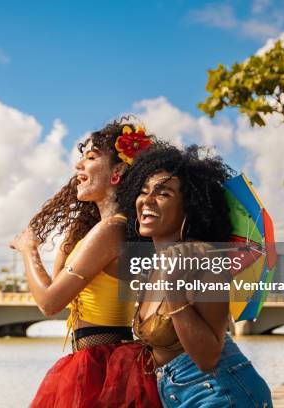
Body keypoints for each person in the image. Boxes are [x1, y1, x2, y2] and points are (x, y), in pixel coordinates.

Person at [10, 119, 160, 407]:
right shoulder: (118, 228)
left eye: (91, 158)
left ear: (117, 172)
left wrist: (29, 250)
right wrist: (74, 233)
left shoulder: (111, 230)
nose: (79, 166)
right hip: (104, 358)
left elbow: (49, 302)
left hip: (100, 364)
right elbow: (61, 289)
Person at [115, 141, 273, 408]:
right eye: (143, 192)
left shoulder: (203, 258)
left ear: (190, 206)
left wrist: (174, 287)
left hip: (222, 394)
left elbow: (207, 357)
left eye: (163, 194)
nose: (147, 201)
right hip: (179, 395)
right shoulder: (156, 263)